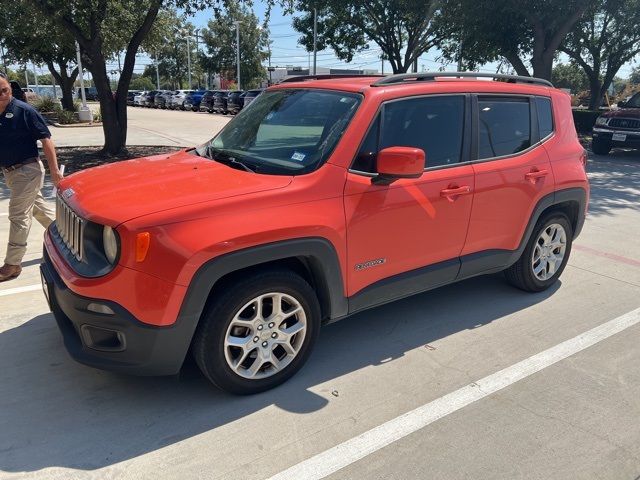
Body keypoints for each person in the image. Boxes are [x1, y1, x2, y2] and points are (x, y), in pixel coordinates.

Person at [0, 71, 63, 282]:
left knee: (18, 216)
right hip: (11, 172)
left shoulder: (23, 110)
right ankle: (70, 238)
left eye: (5, 90)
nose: (2, 95)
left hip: (27, 171)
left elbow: (47, 140)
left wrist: (55, 174)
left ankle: (12, 264)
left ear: (10, 88)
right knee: (40, 211)